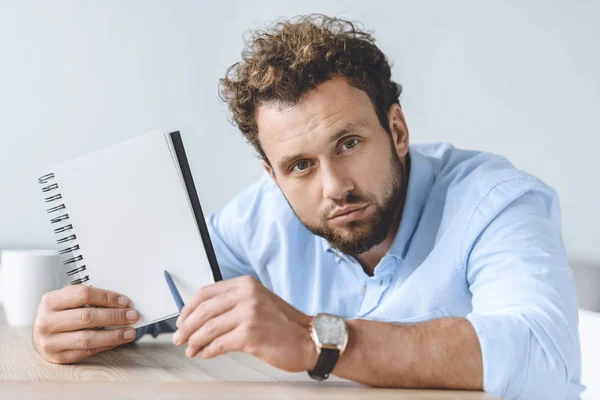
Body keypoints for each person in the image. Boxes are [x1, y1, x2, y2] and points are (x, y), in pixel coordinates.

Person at [31, 14, 582, 399]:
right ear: (273, 176)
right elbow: (164, 307)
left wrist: (312, 338)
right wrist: (79, 326)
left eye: (349, 144)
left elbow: (542, 358)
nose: (333, 186)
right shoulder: (260, 219)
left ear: (396, 128)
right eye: (300, 166)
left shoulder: (496, 203)